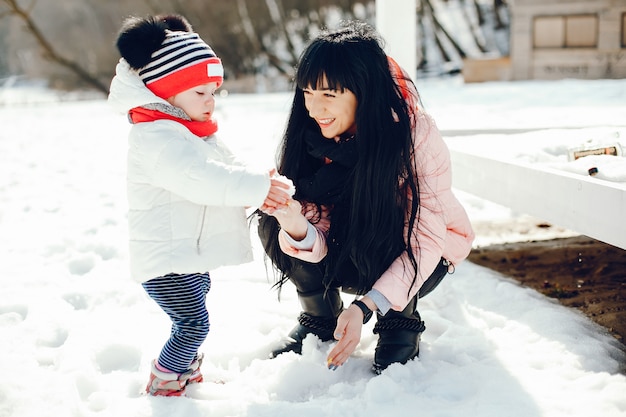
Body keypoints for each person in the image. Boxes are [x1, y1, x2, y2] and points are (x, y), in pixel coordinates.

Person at [257, 21, 475, 374]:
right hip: (350, 242)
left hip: (424, 250)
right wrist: (294, 222)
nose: (314, 109)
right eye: (308, 93)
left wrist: (363, 307)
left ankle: (398, 322)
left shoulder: (414, 136)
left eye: (329, 94)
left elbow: (423, 238)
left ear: (365, 91)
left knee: (384, 214)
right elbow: (322, 222)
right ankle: (320, 319)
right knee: (273, 218)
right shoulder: (313, 137)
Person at [108, 14, 290, 396]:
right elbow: (201, 178)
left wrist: (261, 181)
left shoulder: (186, 130)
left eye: (213, 92)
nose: (210, 102)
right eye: (199, 93)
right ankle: (165, 378)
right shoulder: (156, 138)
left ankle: (186, 370)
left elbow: (225, 166)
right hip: (164, 258)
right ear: (166, 92)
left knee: (196, 305)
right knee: (193, 322)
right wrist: (254, 189)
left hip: (182, 253)